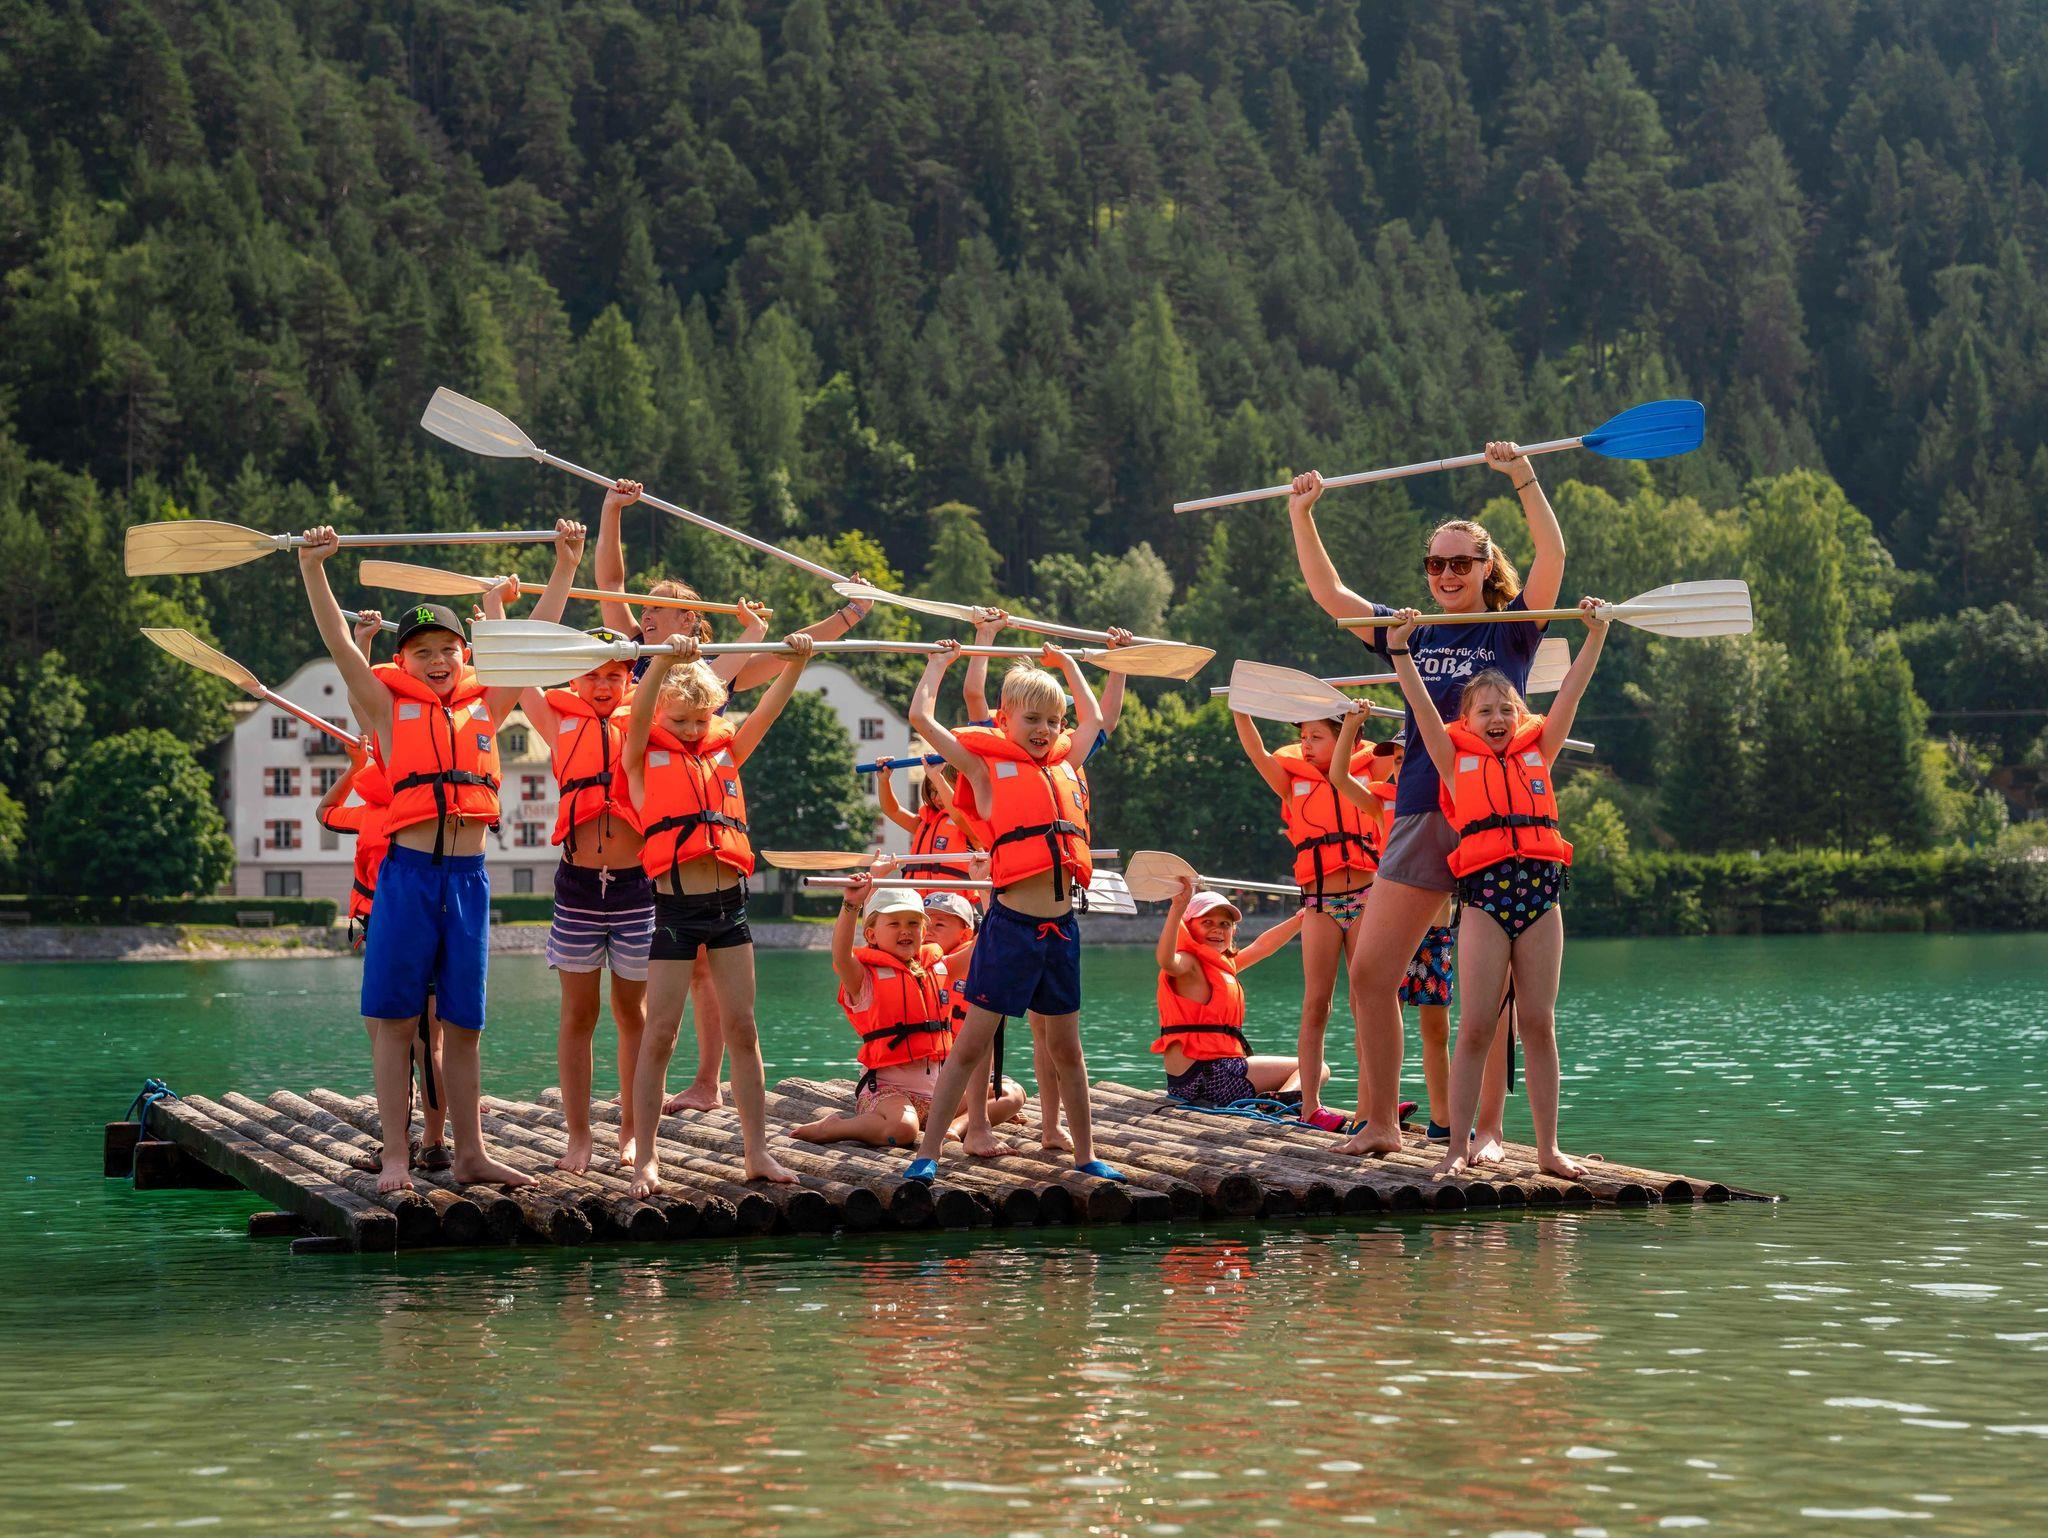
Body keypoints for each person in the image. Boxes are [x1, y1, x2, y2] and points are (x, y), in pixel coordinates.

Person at [1285, 442, 1566, 1157]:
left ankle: (1489, 1130)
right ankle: (1381, 1124)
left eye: (1460, 563)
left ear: (1485, 567)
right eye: (1434, 564)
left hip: (1494, 823)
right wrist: (1302, 515)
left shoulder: (1512, 630)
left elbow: (1553, 555)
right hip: (1419, 810)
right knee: (1371, 973)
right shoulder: (1409, 629)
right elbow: (1331, 596)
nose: (1445, 574)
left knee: (1494, 993)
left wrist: (1523, 476)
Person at [297, 520, 585, 1192]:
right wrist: (313, 568)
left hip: (468, 881)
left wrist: (566, 566)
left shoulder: (489, 703)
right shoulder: (383, 704)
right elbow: (338, 642)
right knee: (398, 1022)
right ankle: (397, 1154)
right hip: (406, 879)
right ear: (402, 661)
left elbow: (535, 638)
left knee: (462, 1024)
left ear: (466, 654)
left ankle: (471, 1152)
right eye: (421, 650)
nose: (436, 660)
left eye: (448, 649)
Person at [595, 475, 874, 1116]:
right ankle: (647, 1087)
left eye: (675, 611)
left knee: (705, 970)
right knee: (650, 974)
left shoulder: (715, 670)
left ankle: (707, 1081)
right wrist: (613, 511)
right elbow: (611, 581)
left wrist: (851, 613)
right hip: (644, 816)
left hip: (702, 827)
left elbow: (789, 657)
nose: (656, 617)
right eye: (656, 610)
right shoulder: (633, 653)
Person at [1381, 600, 1609, 1178]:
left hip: (1541, 899)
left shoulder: (1540, 750)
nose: (1498, 717)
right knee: (1478, 1024)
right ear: (1467, 719)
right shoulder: (1450, 756)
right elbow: (1420, 706)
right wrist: (1400, 648)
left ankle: (1549, 1150)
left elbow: (1572, 693)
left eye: (1507, 708)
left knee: (1538, 1023)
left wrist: (1595, 634)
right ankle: (1457, 1146)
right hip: (1484, 900)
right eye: (1484, 710)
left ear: (1520, 714)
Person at [900, 642, 1122, 1183]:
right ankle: (928, 1153)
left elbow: (1094, 719)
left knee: (1067, 1049)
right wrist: (937, 665)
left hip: (1061, 932)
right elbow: (922, 719)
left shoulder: (1065, 764)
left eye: (1053, 721)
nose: (1045, 729)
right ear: (1004, 720)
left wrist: (1069, 665)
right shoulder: (982, 770)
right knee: (971, 1044)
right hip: (1010, 929)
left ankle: (1086, 1153)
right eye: (1032, 719)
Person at [621, 630, 814, 1196]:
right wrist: (662, 661)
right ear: (661, 714)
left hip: (731, 909)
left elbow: (767, 712)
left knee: (744, 1029)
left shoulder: (726, 751)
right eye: (679, 720)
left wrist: (795, 664)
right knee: (660, 1033)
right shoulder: (640, 755)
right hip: (675, 912)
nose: (690, 729)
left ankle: (757, 1151)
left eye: (700, 720)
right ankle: (646, 1158)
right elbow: (641, 713)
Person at [518, 634, 655, 1175]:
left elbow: (708, 687)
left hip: (637, 888)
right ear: (573, 680)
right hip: (577, 888)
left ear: (629, 680)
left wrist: (682, 649)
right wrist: (500, 617)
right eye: (592, 675)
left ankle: (631, 1130)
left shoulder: (646, 718)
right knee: (579, 1014)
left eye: (613, 676)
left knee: (633, 1014)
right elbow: (517, 673)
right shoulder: (558, 723)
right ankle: (579, 1136)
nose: (602, 685)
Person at [1326, 724, 1500, 1142]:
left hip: (1436, 938)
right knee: (1381, 1020)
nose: (1404, 767)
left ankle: (1444, 1120)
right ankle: (1370, 1114)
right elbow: (1338, 776)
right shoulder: (1383, 804)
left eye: (1411, 758)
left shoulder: (1454, 801)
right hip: (1396, 933)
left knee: (1436, 1031)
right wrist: (1349, 727)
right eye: (1398, 760)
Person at [1230, 705, 1382, 1130]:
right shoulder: (1291, 780)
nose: (1306, 745)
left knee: (1366, 1003)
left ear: (1345, 739)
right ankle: (1311, 1105)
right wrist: (1242, 710)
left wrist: (1355, 720)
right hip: (1320, 904)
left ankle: (1371, 1108)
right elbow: (1258, 752)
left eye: (1316, 737)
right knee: (1317, 1003)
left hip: (1368, 898)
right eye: (1303, 737)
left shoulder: (1373, 767)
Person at [1153, 878, 1312, 1107]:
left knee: (1305, 1070)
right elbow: (1166, 960)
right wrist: (1177, 908)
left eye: (1225, 924)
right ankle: (1276, 1104)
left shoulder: (1223, 966)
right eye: (1207, 922)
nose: (1218, 929)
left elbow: (1262, 947)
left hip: (1192, 1082)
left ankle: (1276, 1100)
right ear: (1188, 927)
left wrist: (1303, 916)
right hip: (1210, 1079)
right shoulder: (1188, 964)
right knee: (1314, 1068)